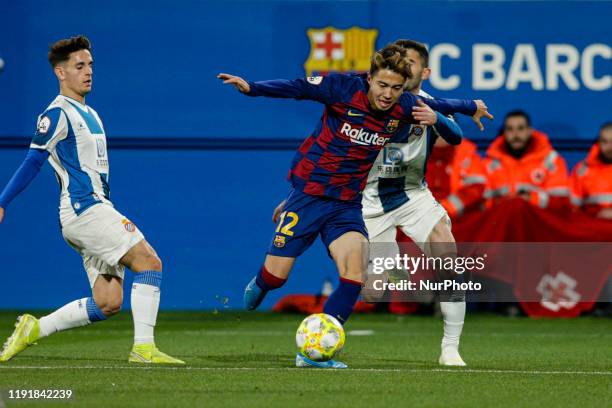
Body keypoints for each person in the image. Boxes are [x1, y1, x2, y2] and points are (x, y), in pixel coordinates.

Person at [219, 43, 492, 368]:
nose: (388, 93)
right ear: (369, 78)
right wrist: (252, 88)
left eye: (396, 85)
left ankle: (315, 356)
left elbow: (446, 109)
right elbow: (298, 88)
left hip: (356, 202)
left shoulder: (409, 104)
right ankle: (264, 283)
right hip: (325, 196)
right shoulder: (343, 87)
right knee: (279, 279)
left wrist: (467, 106)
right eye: (383, 84)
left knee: (357, 274)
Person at [0, 36, 183, 364]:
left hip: (95, 210)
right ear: (60, 73)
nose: (88, 72)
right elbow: (32, 161)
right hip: (84, 211)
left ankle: (34, 329)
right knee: (149, 261)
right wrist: (3, 202)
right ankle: (143, 349)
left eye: (90, 66)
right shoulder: (55, 114)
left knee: (108, 302)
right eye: (79, 66)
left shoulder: (92, 114)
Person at [358, 39, 488, 366]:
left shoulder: (427, 103)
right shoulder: (367, 95)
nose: (403, 64)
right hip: (370, 199)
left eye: (411, 61)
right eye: (397, 58)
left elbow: (456, 135)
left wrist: (436, 118)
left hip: (414, 195)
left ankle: (450, 348)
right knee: (372, 293)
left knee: (448, 256)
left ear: (425, 71)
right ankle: (326, 336)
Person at [483, 110, 569, 210]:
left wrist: (529, 199)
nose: (515, 135)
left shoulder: (551, 161)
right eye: (510, 129)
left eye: (521, 128)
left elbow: (561, 202)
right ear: (504, 133)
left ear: (530, 131)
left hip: (537, 222)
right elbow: (481, 204)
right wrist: (503, 202)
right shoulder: (490, 164)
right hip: (502, 221)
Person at [427, 136, 486, 219]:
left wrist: (443, 208)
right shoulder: (409, 153)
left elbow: (475, 189)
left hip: (458, 219)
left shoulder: (466, 153)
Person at [570, 122, 612, 219]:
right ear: (598, 143)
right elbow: (572, 208)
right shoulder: (583, 169)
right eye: (605, 142)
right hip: (591, 228)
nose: (610, 147)